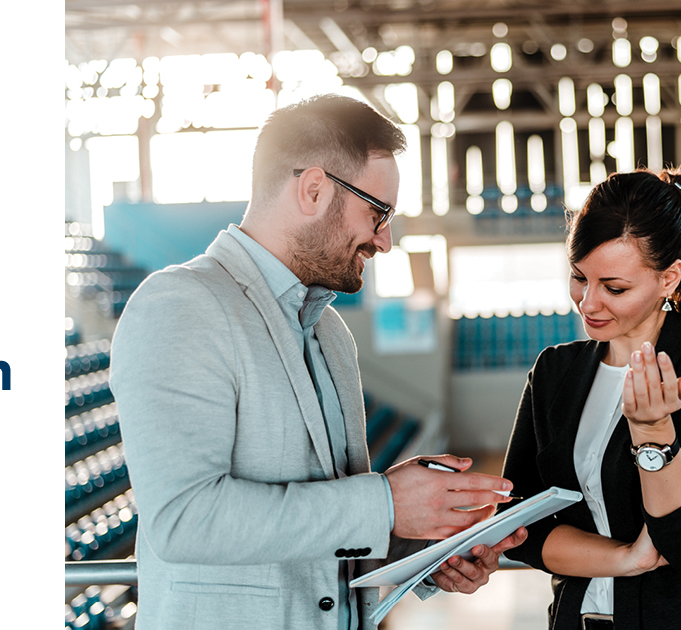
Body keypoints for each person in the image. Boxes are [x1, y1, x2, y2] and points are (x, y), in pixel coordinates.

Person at [110, 94, 526, 630]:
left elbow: (325, 536)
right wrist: (385, 505)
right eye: (377, 213)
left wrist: (422, 549)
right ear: (313, 189)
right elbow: (186, 520)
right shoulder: (180, 305)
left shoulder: (329, 332)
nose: (385, 240)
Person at [502, 169, 681, 630]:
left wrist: (654, 437)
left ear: (668, 279)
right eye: (579, 277)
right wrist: (624, 558)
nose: (588, 303)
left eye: (615, 288)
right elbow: (517, 527)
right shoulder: (554, 372)